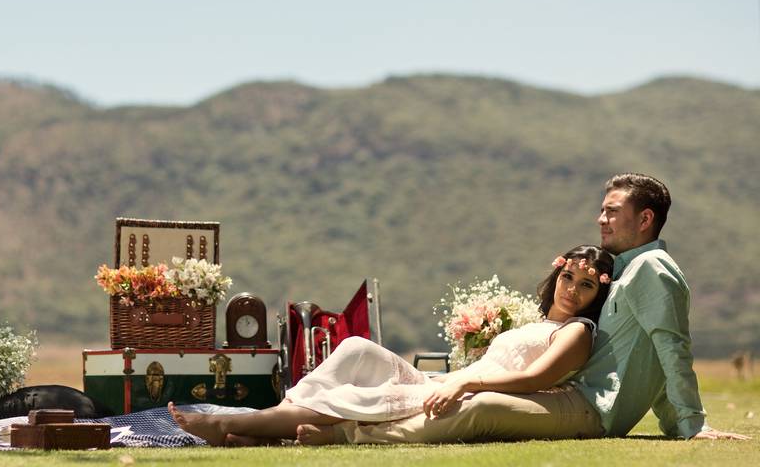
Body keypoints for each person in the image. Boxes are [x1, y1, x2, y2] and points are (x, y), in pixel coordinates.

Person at [300, 173, 749, 444]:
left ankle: (346, 432)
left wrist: (689, 425)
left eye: (612, 211)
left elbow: (670, 349)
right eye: (602, 210)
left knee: (480, 407)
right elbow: (648, 361)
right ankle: (318, 415)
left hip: (591, 411)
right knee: (469, 394)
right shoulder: (628, 272)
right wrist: (675, 424)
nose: (601, 219)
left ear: (645, 219)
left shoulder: (651, 268)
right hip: (570, 397)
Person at [168, 244, 614, 446]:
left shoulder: (576, 332)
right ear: (557, 275)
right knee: (358, 348)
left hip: (463, 390)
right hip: (445, 381)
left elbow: (537, 378)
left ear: (596, 298)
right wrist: (457, 376)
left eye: (587, 286)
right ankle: (275, 421)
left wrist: (465, 384)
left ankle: (235, 426)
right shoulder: (531, 322)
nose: (572, 290)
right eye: (568, 277)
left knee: (359, 394)